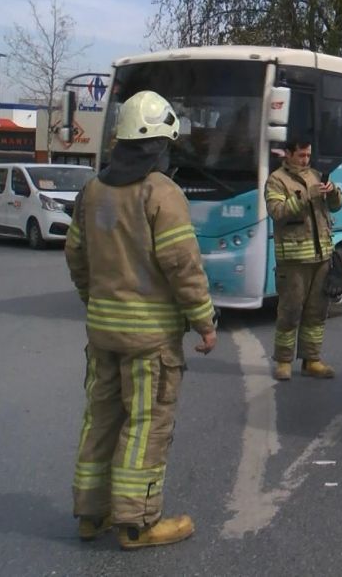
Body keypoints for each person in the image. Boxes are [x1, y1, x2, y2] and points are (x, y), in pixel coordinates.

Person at [65, 90, 218, 549]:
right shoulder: (161, 192)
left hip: (103, 332)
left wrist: (94, 299)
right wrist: (204, 321)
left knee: (101, 418)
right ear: (158, 144)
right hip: (150, 339)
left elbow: (76, 253)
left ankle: (91, 515)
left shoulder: (93, 189)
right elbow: (181, 264)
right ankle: (138, 523)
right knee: (145, 424)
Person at [264, 139, 342, 381]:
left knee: (317, 313)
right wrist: (305, 196)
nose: (305, 160)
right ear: (288, 154)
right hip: (293, 260)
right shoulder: (277, 180)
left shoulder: (316, 175)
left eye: (308, 155)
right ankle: (283, 362)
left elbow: (337, 206)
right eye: (300, 155)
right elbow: (277, 212)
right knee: (290, 312)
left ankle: (312, 360)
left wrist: (333, 192)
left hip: (321, 257)